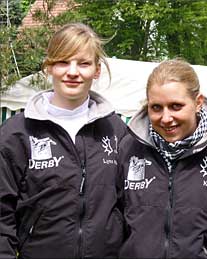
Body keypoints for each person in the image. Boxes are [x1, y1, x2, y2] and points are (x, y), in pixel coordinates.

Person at [0, 23, 128, 258]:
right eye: (62, 62)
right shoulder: (16, 133)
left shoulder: (116, 130)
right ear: (48, 67)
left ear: (97, 70)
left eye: (84, 63)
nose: (72, 71)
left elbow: (132, 204)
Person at [117, 59, 207, 258]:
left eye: (176, 106)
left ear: (198, 103)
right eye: (156, 107)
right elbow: (112, 223)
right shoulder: (129, 148)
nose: (166, 118)